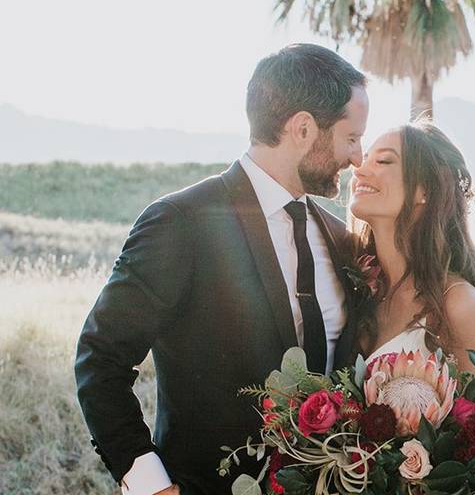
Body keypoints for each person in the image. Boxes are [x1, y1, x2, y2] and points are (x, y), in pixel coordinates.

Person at [75, 43, 369, 495]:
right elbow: (101, 358)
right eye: (351, 137)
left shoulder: (339, 236)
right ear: (304, 129)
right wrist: (150, 484)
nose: (358, 157)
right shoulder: (182, 221)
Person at [348, 121, 475, 454]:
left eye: (383, 161)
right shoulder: (360, 291)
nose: (359, 169)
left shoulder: (459, 305)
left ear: (425, 190)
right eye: (365, 157)